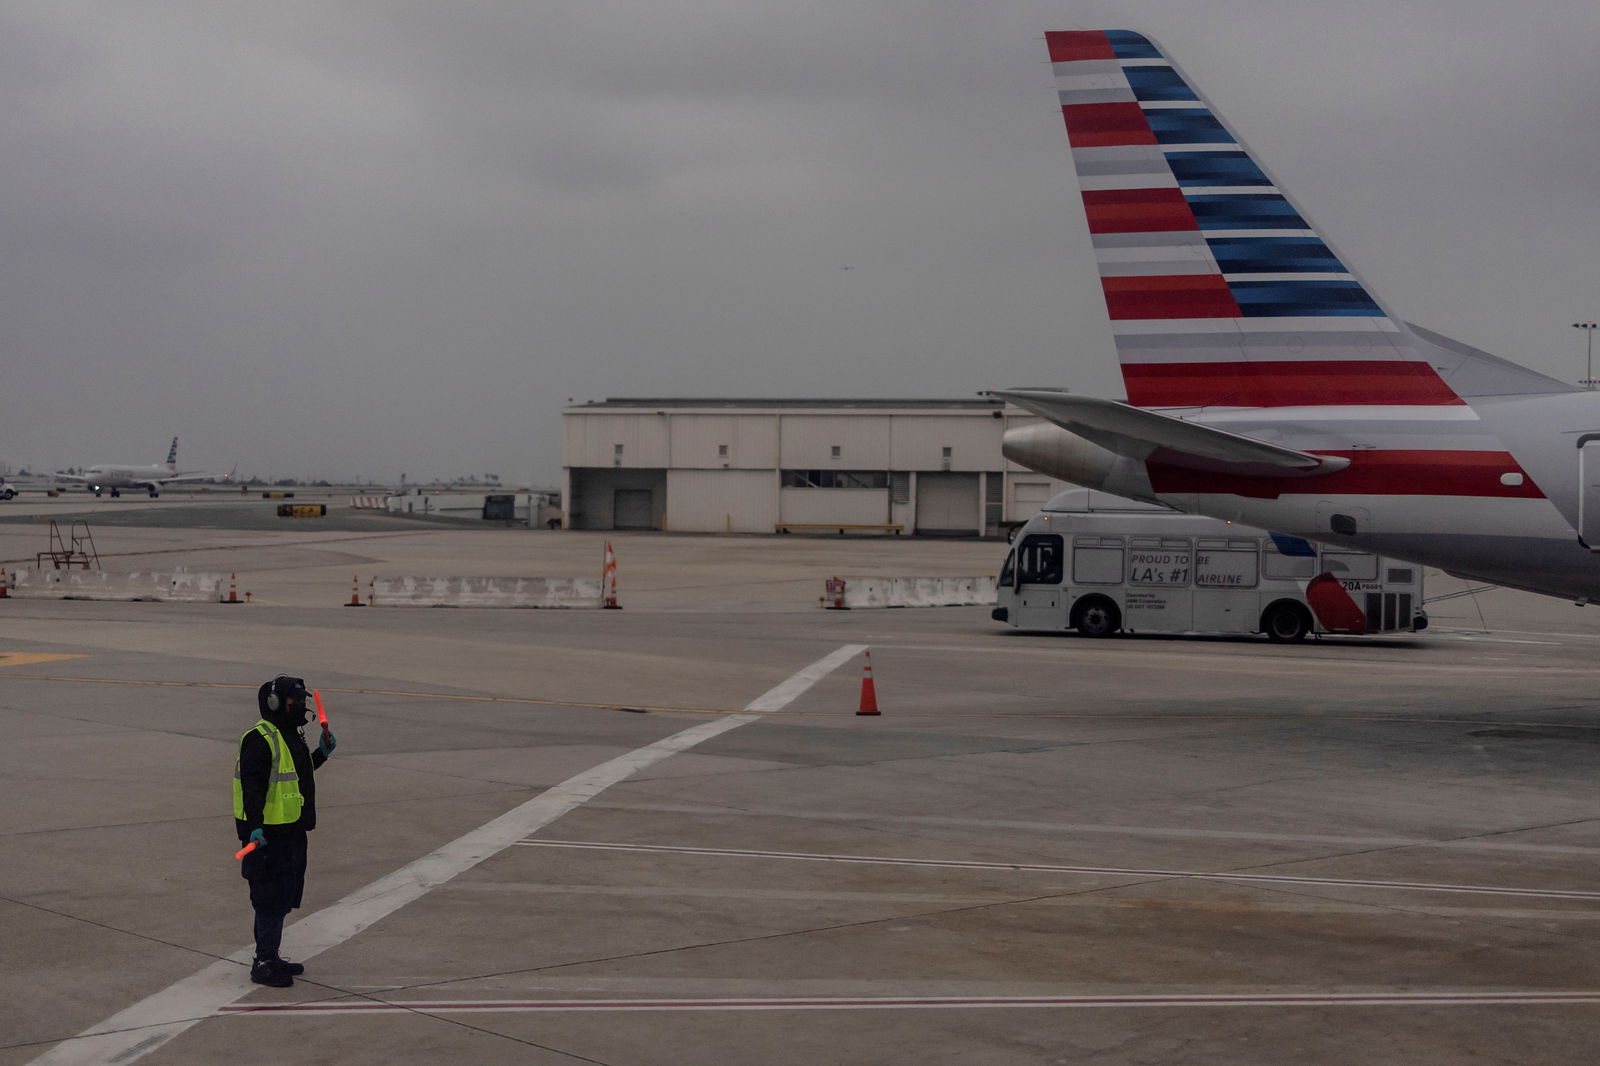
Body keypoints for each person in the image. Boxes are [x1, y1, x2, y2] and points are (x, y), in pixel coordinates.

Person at [233, 674, 336, 987]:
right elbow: (253, 787)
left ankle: (272, 954)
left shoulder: (291, 734)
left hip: (291, 832)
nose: (302, 707)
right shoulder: (260, 738)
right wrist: (253, 828)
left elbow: (296, 775)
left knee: (282, 898)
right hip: (266, 837)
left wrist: (321, 754)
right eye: (296, 702)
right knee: (268, 899)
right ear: (276, 703)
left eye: (304, 701)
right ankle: (262, 962)